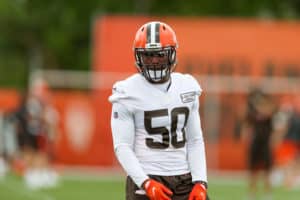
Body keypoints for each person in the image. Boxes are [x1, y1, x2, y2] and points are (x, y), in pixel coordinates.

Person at [109, 21, 209, 200]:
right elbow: (122, 146)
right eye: (148, 55)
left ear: (171, 54)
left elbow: (195, 140)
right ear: (139, 57)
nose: (154, 61)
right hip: (147, 176)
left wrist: (200, 181)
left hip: (184, 179)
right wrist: (145, 182)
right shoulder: (126, 91)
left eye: (160, 55)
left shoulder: (187, 86)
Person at [241, 88, 275, 200]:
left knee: (267, 171)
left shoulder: (270, 112)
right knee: (253, 171)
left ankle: (268, 193)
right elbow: (246, 124)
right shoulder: (252, 113)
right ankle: (251, 193)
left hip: (265, 145)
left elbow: (267, 113)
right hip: (255, 144)